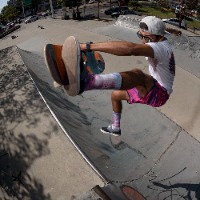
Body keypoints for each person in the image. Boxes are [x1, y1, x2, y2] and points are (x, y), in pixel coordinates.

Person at [80, 16, 176, 136]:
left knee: (139, 75)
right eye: (140, 36)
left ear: (160, 37)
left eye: (146, 38)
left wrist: (88, 46)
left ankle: (88, 82)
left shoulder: (160, 48)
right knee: (116, 95)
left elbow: (131, 49)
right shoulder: (160, 42)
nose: (143, 41)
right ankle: (115, 127)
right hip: (153, 88)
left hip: (160, 93)